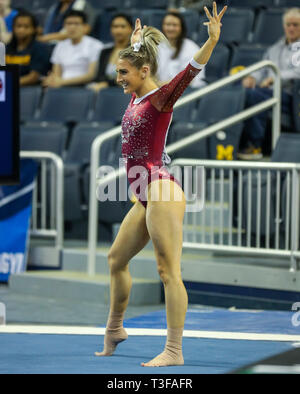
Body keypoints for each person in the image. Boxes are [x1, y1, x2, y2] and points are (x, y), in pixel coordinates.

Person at [94, 2, 227, 367]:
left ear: (144, 72)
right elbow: (140, 63)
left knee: (168, 271)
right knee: (116, 259)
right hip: (143, 192)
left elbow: (190, 71)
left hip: (161, 188)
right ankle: (115, 329)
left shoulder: (161, 98)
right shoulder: (137, 94)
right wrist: (137, 44)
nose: (119, 78)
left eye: (124, 72)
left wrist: (211, 41)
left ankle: (173, 350)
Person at [238, 7, 300, 160]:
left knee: (255, 96)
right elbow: (264, 68)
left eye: (295, 25)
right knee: (244, 93)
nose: (291, 28)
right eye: (288, 24)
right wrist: (252, 77)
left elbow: (297, 72)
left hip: (290, 95)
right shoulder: (275, 47)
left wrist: (277, 77)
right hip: (269, 92)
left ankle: (255, 145)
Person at [43, 10, 103, 89]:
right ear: (64, 26)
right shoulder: (60, 46)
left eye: (76, 24)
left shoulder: (95, 45)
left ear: (85, 27)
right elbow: (57, 72)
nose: (72, 27)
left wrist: (62, 82)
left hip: (84, 88)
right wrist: (54, 80)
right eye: (69, 23)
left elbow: (91, 75)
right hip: (61, 87)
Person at [157, 11, 206, 89]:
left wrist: (161, 85)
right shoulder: (158, 46)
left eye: (175, 25)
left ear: (181, 28)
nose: (171, 28)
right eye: (167, 24)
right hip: (162, 91)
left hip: (187, 91)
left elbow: (188, 79)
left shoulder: (191, 47)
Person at [88, 13, 133, 93]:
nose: (118, 30)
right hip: (104, 92)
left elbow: (130, 78)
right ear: (111, 29)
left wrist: (107, 84)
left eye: (123, 27)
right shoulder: (105, 51)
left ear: (130, 29)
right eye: (115, 27)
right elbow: (99, 77)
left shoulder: (135, 51)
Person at [5, 11, 51, 86]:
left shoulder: (40, 49)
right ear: (13, 28)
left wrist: (8, 83)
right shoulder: (6, 48)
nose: (21, 30)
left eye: (26, 27)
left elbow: (33, 77)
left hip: (30, 90)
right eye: (18, 26)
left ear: (33, 29)